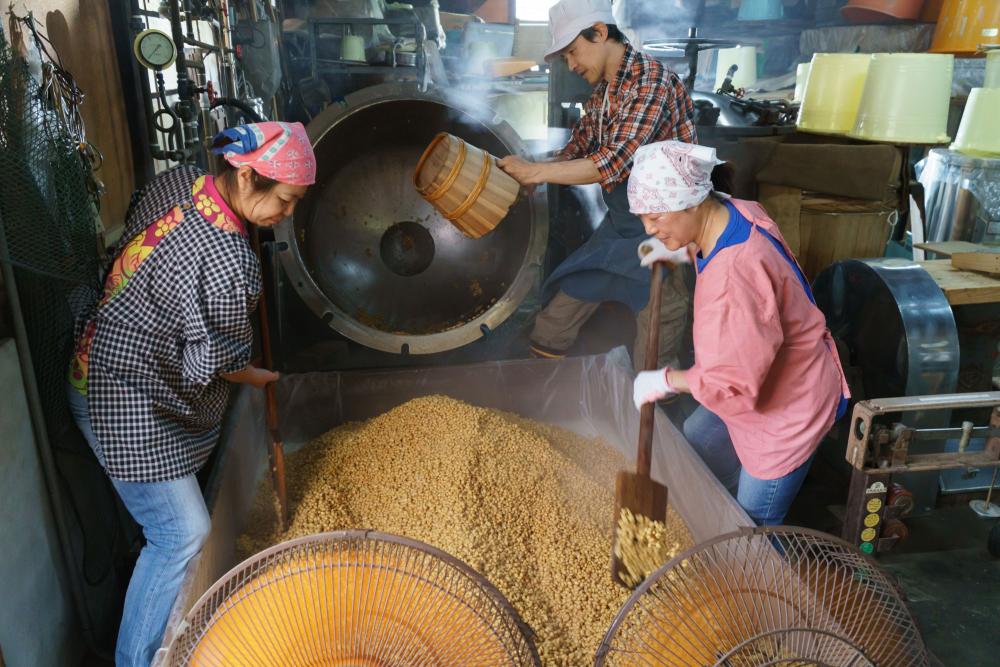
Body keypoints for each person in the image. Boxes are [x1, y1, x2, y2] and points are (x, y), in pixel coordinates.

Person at [65, 122, 316, 666]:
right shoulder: (230, 260)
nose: (288, 215)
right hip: (119, 392)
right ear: (248, 176)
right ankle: (135, 661)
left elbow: (138, 223)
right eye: (287, 201)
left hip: (100, 350)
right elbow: (220, 362)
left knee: (171, 522)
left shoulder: (180, 183)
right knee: (181, 532)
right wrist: (257, 377)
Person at [628, 140, 849, 526]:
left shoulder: (732, 282)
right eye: (644, 218)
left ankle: (753, 571)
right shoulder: (733, 210)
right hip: (764, 371)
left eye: (656, 218)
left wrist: (665, 380)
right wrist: (677, 249)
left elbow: (731, 382)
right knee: (697, 439)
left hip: (788, 406)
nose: (649, 228)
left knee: (752, 527)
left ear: (692, 203)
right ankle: (710, 516)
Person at [497, 0, 697, 370]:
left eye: (573, 50)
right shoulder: (603, 95)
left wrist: (537, 173)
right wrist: (527, 169)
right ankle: (537, 395)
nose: (571, 64)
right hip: (622, 226)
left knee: (655, 346)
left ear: (601, 32)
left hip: (666, 229)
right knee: (558, 314)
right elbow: (576, 150)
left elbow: (612, 162)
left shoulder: (651, 82)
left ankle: (653, 419)